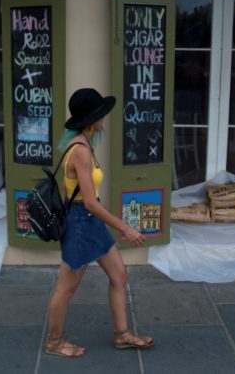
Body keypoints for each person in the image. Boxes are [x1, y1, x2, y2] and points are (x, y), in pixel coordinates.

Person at [44, 88, 154, 358]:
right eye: (101, 114)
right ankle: (54, 342)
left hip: (90, 222)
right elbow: (90, 202)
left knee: (119, 275)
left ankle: (122, 335)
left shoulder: (82, 142)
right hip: (82, 223)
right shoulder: (80, 150)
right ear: (92, 119)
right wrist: (125, 227)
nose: (105, 118)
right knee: (66, 289)